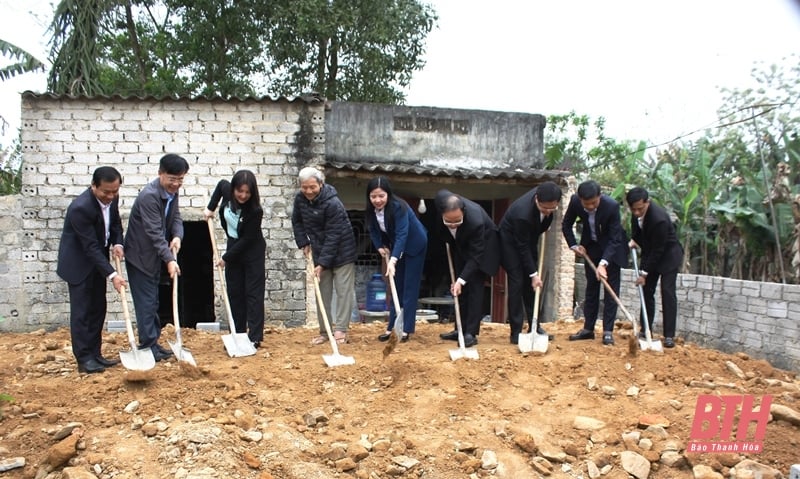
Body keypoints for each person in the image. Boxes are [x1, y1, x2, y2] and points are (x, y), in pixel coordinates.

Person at [57, 166, 127, 374]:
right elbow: (90, 247)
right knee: (82, 312)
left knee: (98, 309)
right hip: (78, 265)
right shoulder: (81, 208)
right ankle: (84, 359)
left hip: (98, 263)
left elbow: (115, 225)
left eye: (115, 191)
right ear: (93, 186)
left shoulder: (111, 200)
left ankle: (96, 354)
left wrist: (118, 243)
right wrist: (113, 274)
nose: (111, 196)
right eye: (106, 192)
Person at [124, 153, 189, 362]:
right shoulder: (149, 196)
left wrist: (178, 236)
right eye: (172, 178)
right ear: (160, 173)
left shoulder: (172, 193)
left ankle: (152, 342)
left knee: (152, 302)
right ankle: (147, 345)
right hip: (140, 256)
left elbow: (176, 217)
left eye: (180, 179)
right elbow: (154, 232)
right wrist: (170, 259)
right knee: (146, 302)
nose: (176, 184)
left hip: (153, 255)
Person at [292, 166, 357, 345]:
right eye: (304, 187)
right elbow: (296, 221)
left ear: (321, 184)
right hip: (320, 249)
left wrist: (321, 263)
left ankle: (340, 331)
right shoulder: (300, 200)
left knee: (343, 292)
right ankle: (325, 331)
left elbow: (334, 235)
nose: (308, 191)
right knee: (322, 292)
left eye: (312, 187)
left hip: (343, 251)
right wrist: (303, 241)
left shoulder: (333, 203)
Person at [204, 170, 266, 348]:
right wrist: (210, 208)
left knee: (253, 294)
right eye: (240, 191)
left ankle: (254, 337)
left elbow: (247, 239)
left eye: (248, 192)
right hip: (234, 245)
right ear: (233, 189)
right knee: (235, 292)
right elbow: (219, 186)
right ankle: (237, 333)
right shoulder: (226, 190)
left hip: (252, 250)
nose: (243, 196)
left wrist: (225, 258)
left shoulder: (255, 211)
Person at [562, 180, 628, 345]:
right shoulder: (575, 201)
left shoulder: (611, 206)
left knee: (610, 291)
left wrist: (603, 263)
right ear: (580, 199)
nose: (590, 207)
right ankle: (588, 329)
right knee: (591, 289)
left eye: (594, 203)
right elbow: (566, 224)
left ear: (600, 196)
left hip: (612, 251)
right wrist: (573, 245)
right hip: (590, 249)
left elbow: (615, 238)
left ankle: (607, 332)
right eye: (587, 203)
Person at [435, 190, 501, 347]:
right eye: (448, 221)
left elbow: (476, 257)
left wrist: (461, 280)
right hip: (460, 245)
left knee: (474, 289)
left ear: (463, 213)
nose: (452, 225)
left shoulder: (475, 221)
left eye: (457, 221)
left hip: (483, 248)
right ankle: (459, 329)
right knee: (459, 290)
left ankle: (471, 333)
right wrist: (457, 281)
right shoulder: (440, 202)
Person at [366, 177, 428, 343]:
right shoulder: (371, 209)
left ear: (388, 194)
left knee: (409, 287)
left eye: (381, 196)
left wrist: (392, 260)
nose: (377, 200)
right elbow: (372, 229)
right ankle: (392, 326)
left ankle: (406, 329)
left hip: (415, 245)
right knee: (396, 286)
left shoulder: (399, 207)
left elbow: (402, 234)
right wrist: (379, 246)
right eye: (373, 196)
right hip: (397, 246)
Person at [499, 181, 562, 345]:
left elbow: (530, 243)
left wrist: (543, 223)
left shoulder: (548, 196)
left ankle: (535, 325)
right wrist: (533, 274)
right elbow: (522, 247)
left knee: (531, 287)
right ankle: (516, 332)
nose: (548, 212)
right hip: (510, 243)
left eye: (552, 209)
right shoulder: (522, 213)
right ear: (536, 199)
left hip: (528, 239)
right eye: (544, 208)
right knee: (518, 282)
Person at [626, 187, 683, 348]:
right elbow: (637, 233)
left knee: (667, 292)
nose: (636, 212)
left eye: (640, 208)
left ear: (647, 202)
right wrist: (635, 240)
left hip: (668, 256)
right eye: (633, 209)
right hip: (651, 254)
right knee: (647, 291)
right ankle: (646, 330)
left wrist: (644, 273)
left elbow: (659, 249)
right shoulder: (635, 214)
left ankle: (669, 335)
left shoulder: (659, 219)